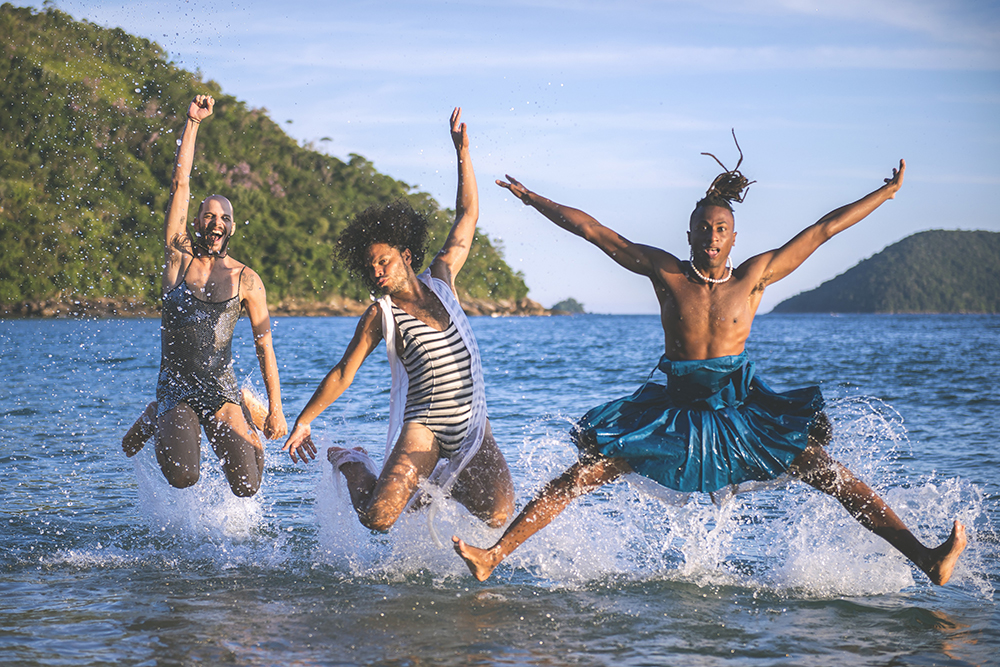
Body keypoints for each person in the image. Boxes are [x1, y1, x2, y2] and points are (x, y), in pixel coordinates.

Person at [453, 150, 967, 584]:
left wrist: (887, 194)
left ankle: (925, 558)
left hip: (739, 409)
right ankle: (493, 555)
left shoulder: (756, 276)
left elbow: (824, 230)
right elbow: (596, 233)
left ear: (733, 237)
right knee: (585, 473)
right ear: (691, 233)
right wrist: (533, 198)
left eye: (721, 229)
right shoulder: (666, 272)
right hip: (675, 409)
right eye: (704, 228)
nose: (712, 236)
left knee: (831, 475)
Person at [282, 108, 515, 533]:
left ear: (406, 256)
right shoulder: (380, 315)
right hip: (424, 426)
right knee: (378, 518)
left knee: (498, 515)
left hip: (472, 425)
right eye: (370, 266)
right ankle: (356, 462)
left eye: (384, 261)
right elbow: (343, 371)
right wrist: (305, 419)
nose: (376, 272)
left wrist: (463, 152)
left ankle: (439, 486)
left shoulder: (443, 280)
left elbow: (466, 218)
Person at [121, 95, 287, 497]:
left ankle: (246, 404)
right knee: (183, 476)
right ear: (197, 223)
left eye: (224, 217)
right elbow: (181, 182)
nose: (216, 221)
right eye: (209, 215)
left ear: (231, 228)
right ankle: (156, 412)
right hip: (176, 388)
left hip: (222, 391)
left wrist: (277, 409)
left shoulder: (248, 280)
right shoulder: (178, 259)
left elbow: (265, 347)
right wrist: (193, 122)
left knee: (247, 487)